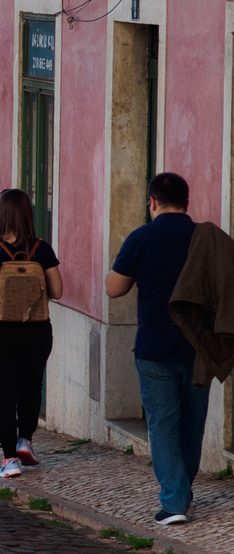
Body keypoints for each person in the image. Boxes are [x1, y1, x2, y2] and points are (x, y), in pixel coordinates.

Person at [106, 172, 207, 526]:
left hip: (154, 346)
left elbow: (114, 288)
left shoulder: (142, 237)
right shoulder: (203, 238)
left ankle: (175, 501)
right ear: (187, 203)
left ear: (151, 202)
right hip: (199, 346)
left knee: (163, 425)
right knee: (191, 425)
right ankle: (182, 494)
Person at [0, 189, 63, 479]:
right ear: (28, 213)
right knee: (32, 386)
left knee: (4, 393)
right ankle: (26, 440)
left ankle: (10, 460)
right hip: (36, 329)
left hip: (0, 331)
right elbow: (58, 291)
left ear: (1, 213)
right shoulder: (42, 248)